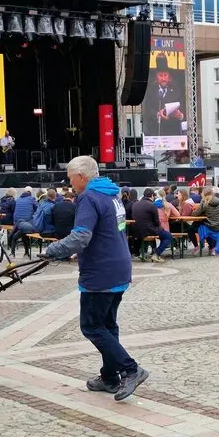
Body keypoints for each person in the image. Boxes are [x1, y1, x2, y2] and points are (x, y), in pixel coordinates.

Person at [43, 156, 148, 401]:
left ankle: (131, 369)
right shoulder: (112, 194)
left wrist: (53, 249)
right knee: (108, 326)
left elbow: (81, 236)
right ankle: (109, 377)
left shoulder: (88, 197)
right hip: (119, 266)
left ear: (81, 176)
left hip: (100, 271)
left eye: (70, 178)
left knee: (91, 326)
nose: (69, 183)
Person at [132, 188, 168, 261]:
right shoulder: (152, 205)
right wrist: (161, 228)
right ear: (152, 195)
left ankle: (144, 253)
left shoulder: (135, 204)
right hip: (148, 230)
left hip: (136, 231)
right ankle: (156, 254)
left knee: (155, 232)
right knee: (168, 236)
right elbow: (156, 222)